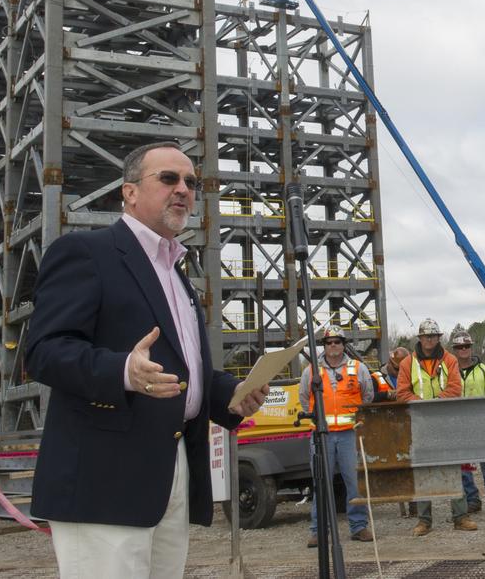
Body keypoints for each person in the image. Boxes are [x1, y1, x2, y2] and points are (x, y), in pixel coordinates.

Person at [25, 141, 267, 578]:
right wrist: (121, 370)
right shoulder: (87, 253)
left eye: (191, 182)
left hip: (170, 469)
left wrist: (227, 395)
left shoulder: (176, 273)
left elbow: (180, 369)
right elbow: (44, 351)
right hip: (104, 480)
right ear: (130, 192)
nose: (184, 190)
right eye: (169, 179)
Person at [395, 318, 475, 535]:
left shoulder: (449, 360)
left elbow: (455, 388)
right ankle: (424, 521)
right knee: (422, 471)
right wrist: (421, 406)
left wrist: (435, 403)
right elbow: (401, 393)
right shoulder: (407, 364)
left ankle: (460, 516)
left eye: (433, 336)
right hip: (420, 423)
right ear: (420, 338)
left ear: (438, 338)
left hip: (445, 421)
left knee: (453, 469)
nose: (429, 339)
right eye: (426, 336)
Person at [298, 326, 376, 547]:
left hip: (349, 435)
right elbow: (304, 397)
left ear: (344, 344)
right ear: (324, 345)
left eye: (337, 341)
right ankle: (319, 530)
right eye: (329, 342)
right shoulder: (311, 371)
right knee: (321, 483)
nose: (333, 345)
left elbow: (367, 396)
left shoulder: (358, 368)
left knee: (354, 482)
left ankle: (359, 526)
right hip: (321, 435)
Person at [451, 328, 485, 516]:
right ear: (454, 350)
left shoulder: (483, 370)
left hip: (482, 424)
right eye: (459, 347)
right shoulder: (449, 372)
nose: (463, 349)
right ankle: (472, 500)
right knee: (464, 466)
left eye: (466, 346)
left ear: (471, 348)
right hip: (459, 426)